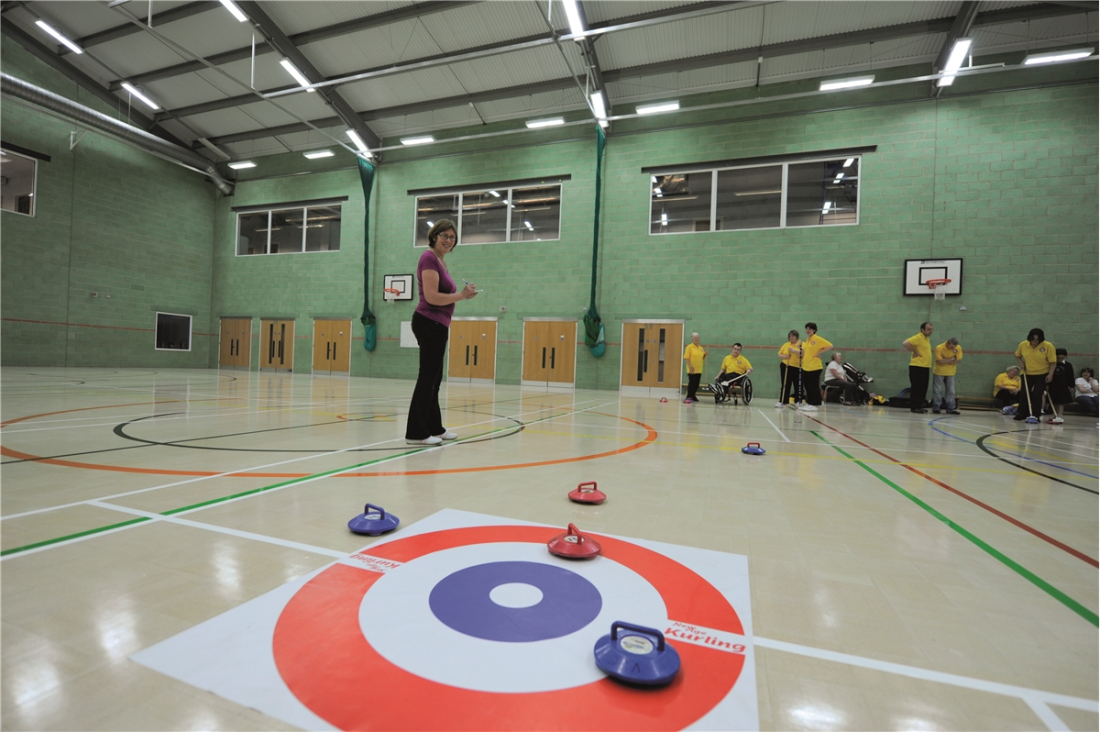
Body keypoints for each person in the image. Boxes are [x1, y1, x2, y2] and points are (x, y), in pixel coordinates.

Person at [405, 220, 478, 445]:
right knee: (427, 379)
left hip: (438, 324)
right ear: (434, 236)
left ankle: (435, 427)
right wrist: (461, 295)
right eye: (445, 236)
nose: (449, 240)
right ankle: (416, 432)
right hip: (429, 322)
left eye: (452, 237)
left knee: (434, 380)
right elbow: (432, 297)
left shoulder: (440, 261)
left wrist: (462, 295)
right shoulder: (428, 258)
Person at [1014, 328, 1056, 422]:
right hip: (1027, 373)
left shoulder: (1048, 346)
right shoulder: (1023, 344)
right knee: (1024, 394)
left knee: (1037, 394)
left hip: (1042, 373)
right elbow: (1017, 355)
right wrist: (1021, 363)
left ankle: (1036, 415)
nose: (1035, 342)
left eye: (1037, 340)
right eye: (1033, 339)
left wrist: (1051, 374)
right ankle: (1022, 413)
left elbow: (1053, 362)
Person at [796, 323, 833, 412]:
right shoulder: (807, 340)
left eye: (810, 329)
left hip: (815, 367)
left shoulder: (817, 339)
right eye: (806, 329)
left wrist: (819, 353)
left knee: (813, 386)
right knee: (807, 386)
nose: (808, 331)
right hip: (806, 366)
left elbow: (830, 345)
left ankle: (815, 404)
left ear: (814, 330)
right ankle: (809, 403)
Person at [902, 322, 934, 414]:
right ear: (922, 330)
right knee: (917, 388)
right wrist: (915, 352)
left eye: (931, 329)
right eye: (928, 329)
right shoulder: (918, 337)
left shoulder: (926, 338)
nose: (930, 331)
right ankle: (914, 406)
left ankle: (920, 405)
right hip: (917, 366)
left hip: (925, 366)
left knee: (923, 388)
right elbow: (905, 343)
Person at [932, 337, 963, 415]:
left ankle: (951, 408)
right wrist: (952, 359)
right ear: (948, 344)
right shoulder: (939, 348)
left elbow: (958, 360)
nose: (953, 348)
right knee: (937, 390)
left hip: (951, 372)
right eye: (952, 347)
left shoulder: (958, 348)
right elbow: (939, 360)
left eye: (954, 347)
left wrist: (945, 360)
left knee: (951, 391)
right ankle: (936, 407)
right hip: (939, 371)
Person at [1045, 348, 1074, 424]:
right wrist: (1046, 384)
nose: (1060, 360)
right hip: (1052, 385)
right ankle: (1054, 414)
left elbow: (1071, 376)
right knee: (1053, 401)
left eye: (1062, 358)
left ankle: (1060, 415)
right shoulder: (1051, 364)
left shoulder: (1068, 365)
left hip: (1063, 385)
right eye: (1058, 358)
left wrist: (1072, 386)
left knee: (1061, 401)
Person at [776, 330, 802, 407]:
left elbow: (803, 354)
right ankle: (783, 401)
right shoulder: (786, 344)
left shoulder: (801, 344)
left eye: (793, 336)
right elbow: (779, 354)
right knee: (785, 384)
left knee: (797, 384)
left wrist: (793, 350)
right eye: (790, 336)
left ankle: (798, 401)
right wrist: (785, 356)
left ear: (796, 337)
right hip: (785, 366)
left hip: (797, 367)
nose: (791, 338)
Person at [683, 332, 707, 404]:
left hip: (699, 369)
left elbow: (701, 358)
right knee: (692, 383)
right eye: (695, 338)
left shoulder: (701, 348)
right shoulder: (689, 347)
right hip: (692, 369)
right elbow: (686, 358)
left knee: (697, 384)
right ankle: (689, 396)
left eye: (697, 338)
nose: (696, 339)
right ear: (692, 339)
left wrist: (705, 354)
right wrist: (690, 367)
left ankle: (693, 395)